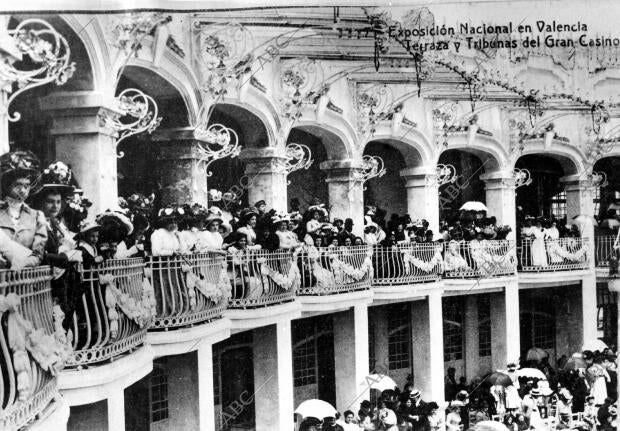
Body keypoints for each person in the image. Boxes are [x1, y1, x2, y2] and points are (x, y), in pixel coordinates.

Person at [0, 150, 47, 267]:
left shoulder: (37, 216)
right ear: (7, 185)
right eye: (18, 185)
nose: (22, 190)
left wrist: (24, 262)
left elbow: (38, 254)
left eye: (26, 186)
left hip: (25, 280)